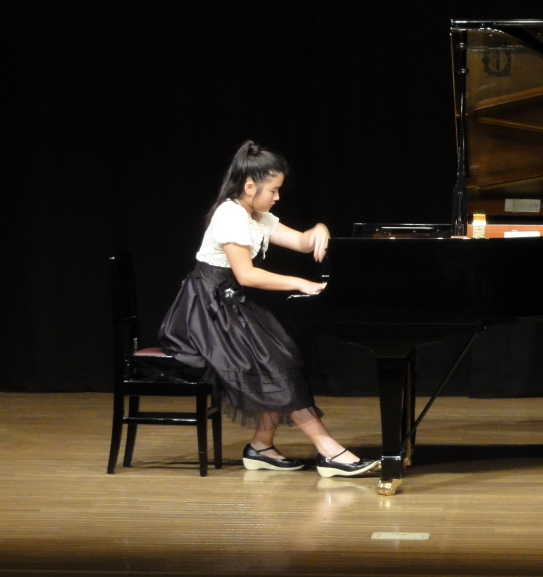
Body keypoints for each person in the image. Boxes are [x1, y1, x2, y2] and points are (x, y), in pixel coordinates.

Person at [158, 140, 379, 477]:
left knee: (280, 356)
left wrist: (319, 229)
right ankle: (329, 451)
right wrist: (301, 283)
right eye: (273, 190)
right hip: (206, 311)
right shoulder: (230, 215)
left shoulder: (257, 216)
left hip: (229, 304)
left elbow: (302, 241)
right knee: (274, 362)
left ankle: (261, 446)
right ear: (250, 187)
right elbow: (246, 275)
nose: (277, 196)